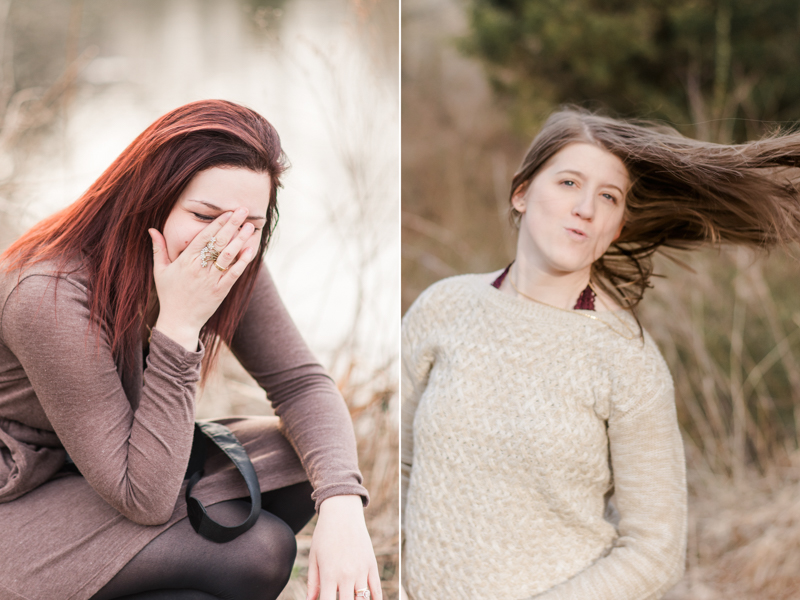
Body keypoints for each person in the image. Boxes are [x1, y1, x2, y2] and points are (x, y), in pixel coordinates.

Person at [400, 107, 800, 599]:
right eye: (569, 183)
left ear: (616, 226)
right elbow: (404, 468)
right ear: (521, 192)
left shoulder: (627, 361)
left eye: (607, 196)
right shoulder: (443, 307)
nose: (585, 207)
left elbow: (655, 551)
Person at [0, 100, 381, 600]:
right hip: (21, 496)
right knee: (260, 551)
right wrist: (179, 324)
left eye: (251, 225)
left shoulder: (230, 252)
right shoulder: (47, 292)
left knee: (304, 459)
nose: (220, 244)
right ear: (148, 201)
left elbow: (300, 383)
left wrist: (343, 505)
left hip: (107, 472)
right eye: (204, 215)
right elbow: (144, 498)